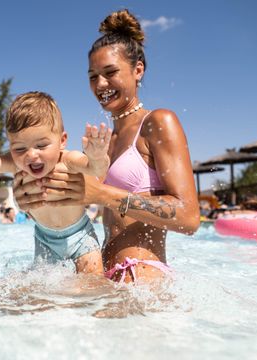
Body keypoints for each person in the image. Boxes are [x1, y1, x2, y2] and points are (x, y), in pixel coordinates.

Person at [14, 10, 200, 283]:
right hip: (103, 277)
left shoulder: (158, 122)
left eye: (110, 72)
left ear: (138, 70)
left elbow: (189, 217)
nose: (100, 84)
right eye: (92, 76)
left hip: (141, 279)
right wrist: (28, 200)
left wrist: (102, 194)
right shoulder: (102, 144)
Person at [0, 91, 112, 274]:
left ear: (62, 141)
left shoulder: (68, 160)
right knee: (41, 295)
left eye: (41, 145)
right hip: (45, 239)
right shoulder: (17, 165)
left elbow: (96, 169)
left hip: (80, 235)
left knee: (92, 285)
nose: (31, 155)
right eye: (20, 148)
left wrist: (97, 157)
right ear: (11, 147)